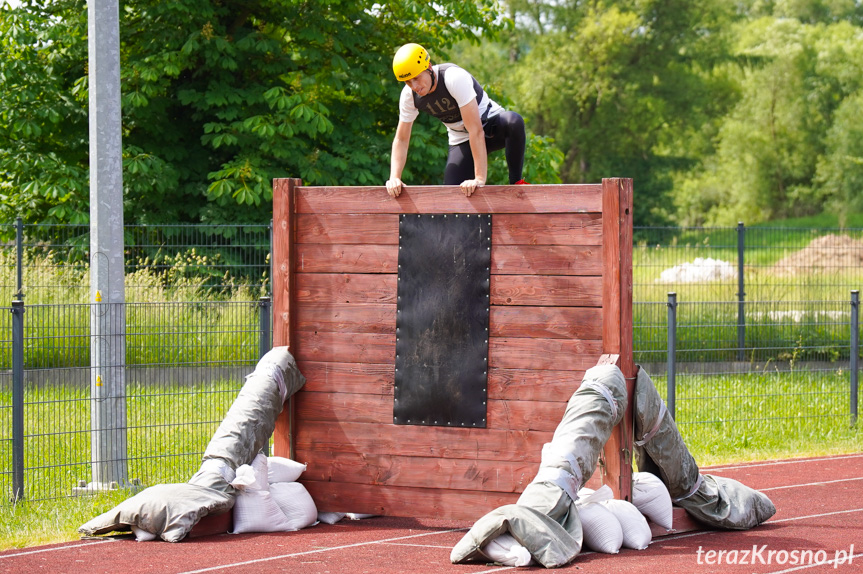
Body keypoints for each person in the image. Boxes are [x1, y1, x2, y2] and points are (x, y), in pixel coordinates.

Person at [385, 43, 528, 198]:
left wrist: (479, 179)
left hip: (490, 126)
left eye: (416, 78)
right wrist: (395, 178)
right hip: (461, 139)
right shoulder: (409, 96)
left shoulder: (453, 78)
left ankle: (516, 184)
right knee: (451, 199)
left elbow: (476, 130)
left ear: (429, 67)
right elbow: (401, 138)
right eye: (408, 82)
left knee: (514, 121)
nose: (414, 86)